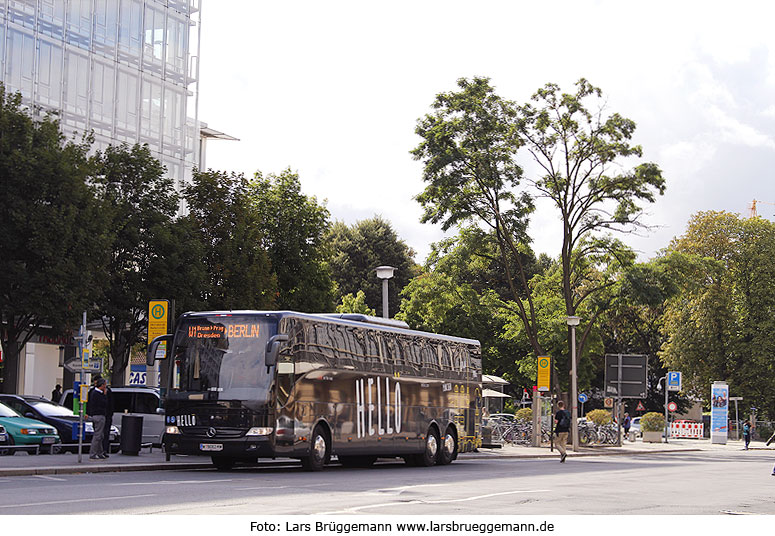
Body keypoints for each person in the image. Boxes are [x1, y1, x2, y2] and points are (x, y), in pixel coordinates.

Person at [85, 378, 108, 460]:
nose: (105, 387)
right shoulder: (98, 394)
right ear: (102, 385)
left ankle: (99, 452)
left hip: (94, 415)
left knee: (100, 435)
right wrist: (104, 395)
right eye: (105, 385)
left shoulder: (92, 392)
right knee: (97, 435)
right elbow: (104, 404)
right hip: (99, 415)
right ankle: (93, 453)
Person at [102, 381, 114, 457]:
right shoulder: (95, 392)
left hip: (107, 416)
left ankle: (104, 450)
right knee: (100, 434)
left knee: (106, 434)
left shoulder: (108, 391)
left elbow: (111, 403)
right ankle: (101, 450)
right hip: (102, 415)